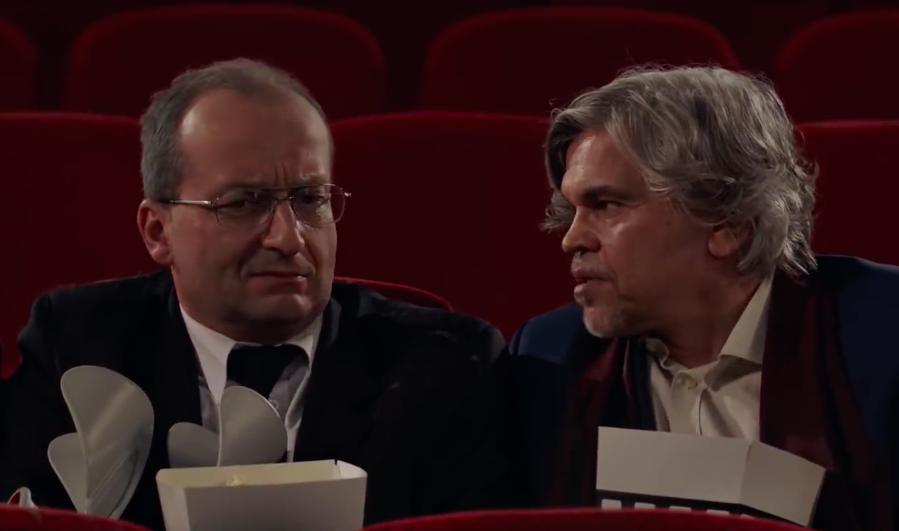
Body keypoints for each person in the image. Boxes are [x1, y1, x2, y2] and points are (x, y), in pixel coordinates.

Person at [0, 59, 511, 530]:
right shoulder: (79, 346)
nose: (288, 238)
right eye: (244, 202)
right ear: (158, 231)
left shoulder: (446, 364)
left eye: (310, 199)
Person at [506, 66, 899, 531]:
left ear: (727, 222)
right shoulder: (548, 359)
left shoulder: (883, 332)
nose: (571, 239)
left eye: (606, 205)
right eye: (572, 210)